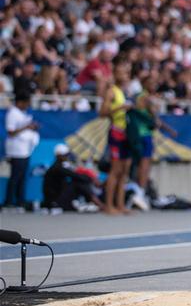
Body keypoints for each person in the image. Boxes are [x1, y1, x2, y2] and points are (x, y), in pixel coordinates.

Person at [126, 91, 178, 191]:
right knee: (143, 165)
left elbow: (157, 123)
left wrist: (170, 130)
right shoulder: (141, 109)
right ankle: (140, 189)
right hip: (143, 138)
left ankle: (140, 188)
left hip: (139, 138)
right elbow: (157, 123)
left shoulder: (140, 109)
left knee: (140, 165)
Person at [101, 60, 132, 214]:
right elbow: (102, 113)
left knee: (124, 171)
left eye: (126, 73)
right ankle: (108, 205)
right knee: (115, 170)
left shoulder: (125, 92)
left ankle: (120, 204)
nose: (125, 75)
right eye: (122, 72)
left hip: (126, 134)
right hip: (116, 132)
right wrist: (121, 108)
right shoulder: (111, 91)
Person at [42, 144, 104, 212]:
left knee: (78, 182)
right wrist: (92, 179)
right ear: (59, 156)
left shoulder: (59, 166)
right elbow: (77, 176)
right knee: (78, 183)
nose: (67, 157)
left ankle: (94, 202)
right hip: (56, 201)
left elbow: (76, 175)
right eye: (65, 155)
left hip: (57, 198)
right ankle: (98, 203)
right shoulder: (58, 168)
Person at [4, 94, 39, 208]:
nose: (28, 105)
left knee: (22, 177)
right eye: (26, 103)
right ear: (19, 102)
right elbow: (11, 132)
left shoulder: (21, 113)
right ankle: (9, 202)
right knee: (15, 177)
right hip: (16, 151)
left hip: (24, 150)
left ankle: (20, 201)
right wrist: (27, 127)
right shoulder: (12, 114)